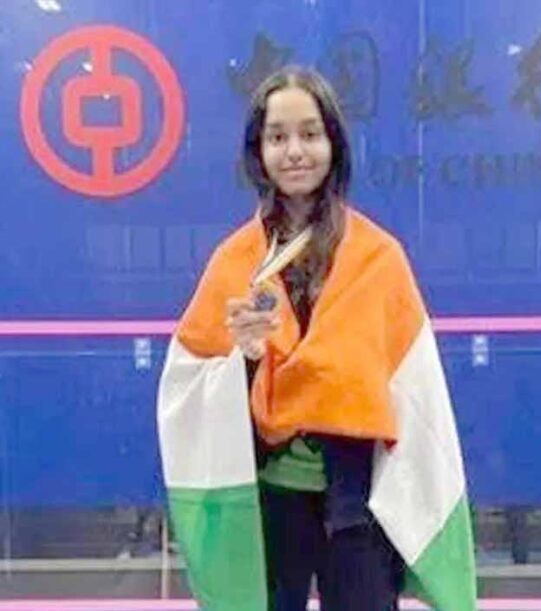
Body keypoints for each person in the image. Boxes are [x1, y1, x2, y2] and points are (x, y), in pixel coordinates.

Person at [157, 65, 477, 611]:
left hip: (357, 502)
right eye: (277, 137)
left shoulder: (378, 257)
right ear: (258, 151)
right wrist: (243, 360)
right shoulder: (235, 261)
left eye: (310, 134)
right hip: (268, 503)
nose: (294, 152)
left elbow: (415, 389)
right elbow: (187, 386)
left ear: (334, 144)